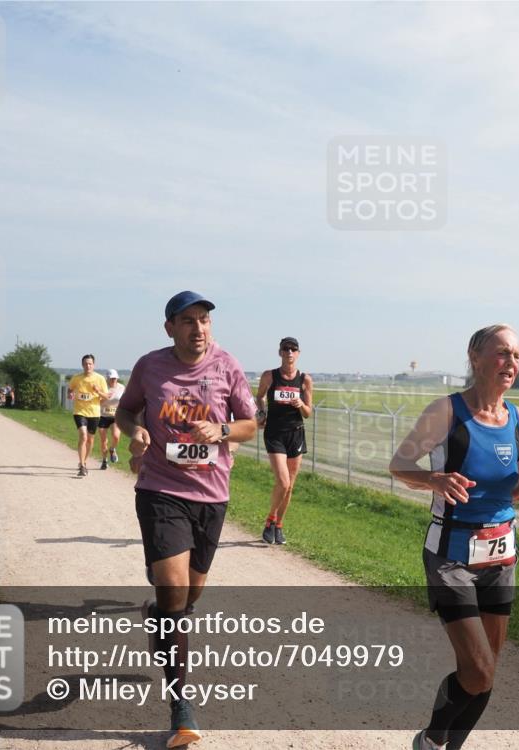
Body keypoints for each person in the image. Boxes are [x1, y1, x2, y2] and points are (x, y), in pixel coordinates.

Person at [389, 324, 519, 750]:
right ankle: (430, 740)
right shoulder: (445, 412)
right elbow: (398, 465)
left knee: (485, 675)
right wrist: (434, 479)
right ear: (476, 357)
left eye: (517, 356)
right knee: (479, 669)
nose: (511, 364)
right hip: (451, 555)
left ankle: (446, 744)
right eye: (502, 353)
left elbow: (514, 491)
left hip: (501, 555)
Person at [115, 290, 256, 747]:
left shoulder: (227, 365)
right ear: (170, 327)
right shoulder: (149, 366)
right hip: (160, 489)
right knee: (175, 587)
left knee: (188, 595)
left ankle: (160, 614)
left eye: (205, 320)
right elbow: (125, 408)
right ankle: (182, 707)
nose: (199, 328)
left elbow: (252, 424)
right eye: (189, 320)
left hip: (211, 495)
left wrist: (223, 430)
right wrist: (134, 430)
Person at [255, 336, 313, 545]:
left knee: (289, 486)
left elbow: (308, 413)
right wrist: (261, 413)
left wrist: (299, 404)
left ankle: (278, 526)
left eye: (293, 349)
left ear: (298, 353)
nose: (289, 352)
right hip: (274, 433)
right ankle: (270, 518)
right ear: (280, 352)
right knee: (283, 480)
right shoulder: (270, 376)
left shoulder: (305, 379)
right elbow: (259, 397)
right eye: (285, 349)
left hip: (296, 433)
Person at [68, 354, 109, 477]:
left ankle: (84, 461)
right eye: (86, 364)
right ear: (82, 365)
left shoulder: (100, 379)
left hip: (94, 413)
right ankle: (82, 465)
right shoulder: (76, 378)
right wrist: (70, 394)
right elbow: (70, 390)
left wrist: (98, 391)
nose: (88, 366)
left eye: (90, 364)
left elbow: (106, 396)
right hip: (79, 412)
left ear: (94, 365)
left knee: (90, 440)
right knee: (83, 436)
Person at [98, 369, 125, 470]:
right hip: (103, 416)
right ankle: (104, 461)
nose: (113, 380)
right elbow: (97, 403)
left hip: (115, 416)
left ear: (117, 378)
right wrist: (104, 397)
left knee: (116, 436)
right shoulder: (103, 387)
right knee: (103, 440)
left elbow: (125, 400)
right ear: (107, 379)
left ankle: (112, 449)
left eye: (115, 378)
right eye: (111, 378)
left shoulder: (122, 387)